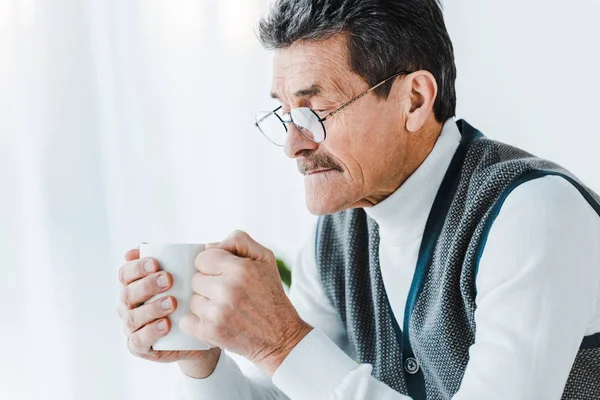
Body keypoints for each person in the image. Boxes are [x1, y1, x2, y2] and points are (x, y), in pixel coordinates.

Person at [116, 0, 600, 399]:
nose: (293, 144)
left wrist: (283, 344)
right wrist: (204, 362)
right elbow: (291, 390)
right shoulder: (340, 234)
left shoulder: (533, 216)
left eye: (317, 110)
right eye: (285, 114)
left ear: (414, 100)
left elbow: (298, 363)